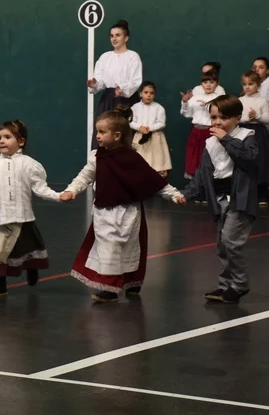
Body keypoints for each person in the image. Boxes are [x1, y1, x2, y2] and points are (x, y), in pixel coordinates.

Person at [59, 107, 185, 303]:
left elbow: (153, 179)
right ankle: (110, 288)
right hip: (104, 212)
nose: (98, 136)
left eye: (102, 132)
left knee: (128, 247)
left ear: (117, 135)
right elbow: (84, 176)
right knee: (109, 247)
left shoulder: (132, 158)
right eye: (97, 131)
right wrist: (72, 190)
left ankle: (132, 281)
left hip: (128, 212)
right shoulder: (96, 157)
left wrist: (174, 195)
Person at [0, 120, 58, 298]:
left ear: (20, 141)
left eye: (7, 137)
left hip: (22, 218)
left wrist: (59, 196)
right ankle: (1, 284)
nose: (2, 141)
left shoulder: (30, 165)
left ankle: (31, 268)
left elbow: (41, 189)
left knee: (26, 249)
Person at [181, 95, 259, 304]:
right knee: (222, 244)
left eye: (223, 118)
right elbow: (203, 173)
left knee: (231, 241)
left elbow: (249, 160)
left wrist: (226, 139)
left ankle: (240, 284)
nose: (217, 122)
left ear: (237, 118)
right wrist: (186, 193)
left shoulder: (247, 137)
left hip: (240, 199)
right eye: (214, 117)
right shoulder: (210, 142)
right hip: (220, 198)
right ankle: (226, 285)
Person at [86, 20, 142, 148]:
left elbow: (135, 81)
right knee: (104, 134)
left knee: (124, 136)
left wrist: (122, 89)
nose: (114, 38)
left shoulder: (133, 56)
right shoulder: (105, 57)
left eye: (118, 35)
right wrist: (94, 84)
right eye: (112, 36)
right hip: (108, 100)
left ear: (126, 38)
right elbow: (99, 82)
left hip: (127, 102)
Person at [238, 70, 269, 205]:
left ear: (258, 85)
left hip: (258, 133)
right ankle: (244, 193)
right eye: (244, 84)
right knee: (244, 162)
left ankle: (262, 193)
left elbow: (267, 119)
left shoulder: (262, 101)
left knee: (260, 162)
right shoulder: (240, 100)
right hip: (243, 132)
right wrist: (246, 119)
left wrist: (257, 116)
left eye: (251, 84)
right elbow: (236, 118)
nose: (247, 87)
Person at [180, 71, 221, 182]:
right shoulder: (195, 98)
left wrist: (208, 106)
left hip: (211, 132)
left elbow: (221, 114)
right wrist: (185, 102)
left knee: (210, 158)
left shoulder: (219, 98)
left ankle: (211, 187)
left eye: (211, 82)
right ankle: (197, 186)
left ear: (217, 84)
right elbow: (187, 114)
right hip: (196, 132)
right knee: (194, 158)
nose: (208, 85)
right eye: (205, 82)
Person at [130, 82, 172, 177]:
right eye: (146, 92)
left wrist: (150, 128)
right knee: (141, 161)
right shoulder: (135, 107)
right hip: (140, 137)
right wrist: (140, 127)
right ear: (141, 93)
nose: (148, 95)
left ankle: (156, 180)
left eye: (151, 93)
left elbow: (161, 123)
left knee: (157, 162)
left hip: (155, 138)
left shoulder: (159, 108)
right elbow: (131, 122)